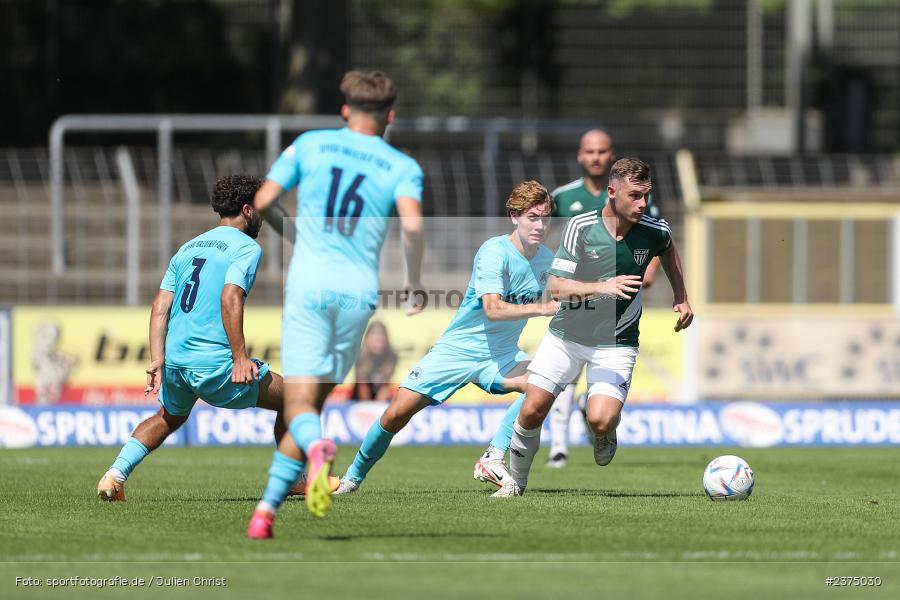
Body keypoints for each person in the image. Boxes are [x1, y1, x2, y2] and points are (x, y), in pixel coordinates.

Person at [247, 70, 425, 538]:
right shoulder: (401, 165)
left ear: (345, 110)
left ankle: (316, 451)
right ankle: (264, 514)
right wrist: (413, 280)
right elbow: (412, 226)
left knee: (299, 407)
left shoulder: (311, 144)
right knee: (313, 404)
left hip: (310, 285)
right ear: (389, 116)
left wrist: (296, 235)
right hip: (358, 293)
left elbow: (264, 200)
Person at [96, 175, 317, 501]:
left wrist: (157, 358)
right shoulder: (246, 247)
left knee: (167, 418)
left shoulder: (188, 248)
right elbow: (230, 297)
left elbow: (160, 306)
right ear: (247, 210)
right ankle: (295, 479)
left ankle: (114, 475)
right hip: (212, 362)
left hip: (177, 361)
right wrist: (240, 358)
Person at [333, 181, 560, 494]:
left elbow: (567, 291)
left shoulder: (547, 259)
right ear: (514, 216)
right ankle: (351, 479)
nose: (540, 226)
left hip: (502, 354)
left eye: (546, 218)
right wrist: (543, 308)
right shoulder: (494, 252)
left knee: (543, 385)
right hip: (457, 351)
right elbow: (493, 309)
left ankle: (493, 457)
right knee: (396, 414)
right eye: (532, 217)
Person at [493, 157, 693, 498]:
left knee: (600, 419)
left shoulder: (655, 229)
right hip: (566, 336)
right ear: (612, 193)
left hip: (617, 341)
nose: (643, 203)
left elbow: (669, 251)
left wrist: (681, 297)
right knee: (533, 408)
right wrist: (604, 286)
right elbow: (557, 287)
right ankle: (516, 483)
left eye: (646, 195)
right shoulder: (581, 226)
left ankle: (604, 432)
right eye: (634, 196)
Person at [546, 130, 661, 469]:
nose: (595, 157)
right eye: (589, 151)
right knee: (563, 378)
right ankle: (558, 448)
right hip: (576, 296)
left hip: (616, 304)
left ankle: (594, 417)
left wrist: (648, 270)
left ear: (611, 155)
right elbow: (542, 237)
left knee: (597, 398)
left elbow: (657, 237)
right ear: (580, 156)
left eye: (601, 151)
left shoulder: (635, 196)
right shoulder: (563, 198)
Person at [351, 320, 398, 402]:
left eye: (381, 334)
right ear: (367, 338)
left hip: (380, 400)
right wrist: (370, 406)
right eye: (374, 334)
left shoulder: (391, 357)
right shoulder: (360, 356)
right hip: (359, 400)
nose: (379, 338)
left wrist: (378, 405)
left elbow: (385, 387)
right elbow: (362, 387)